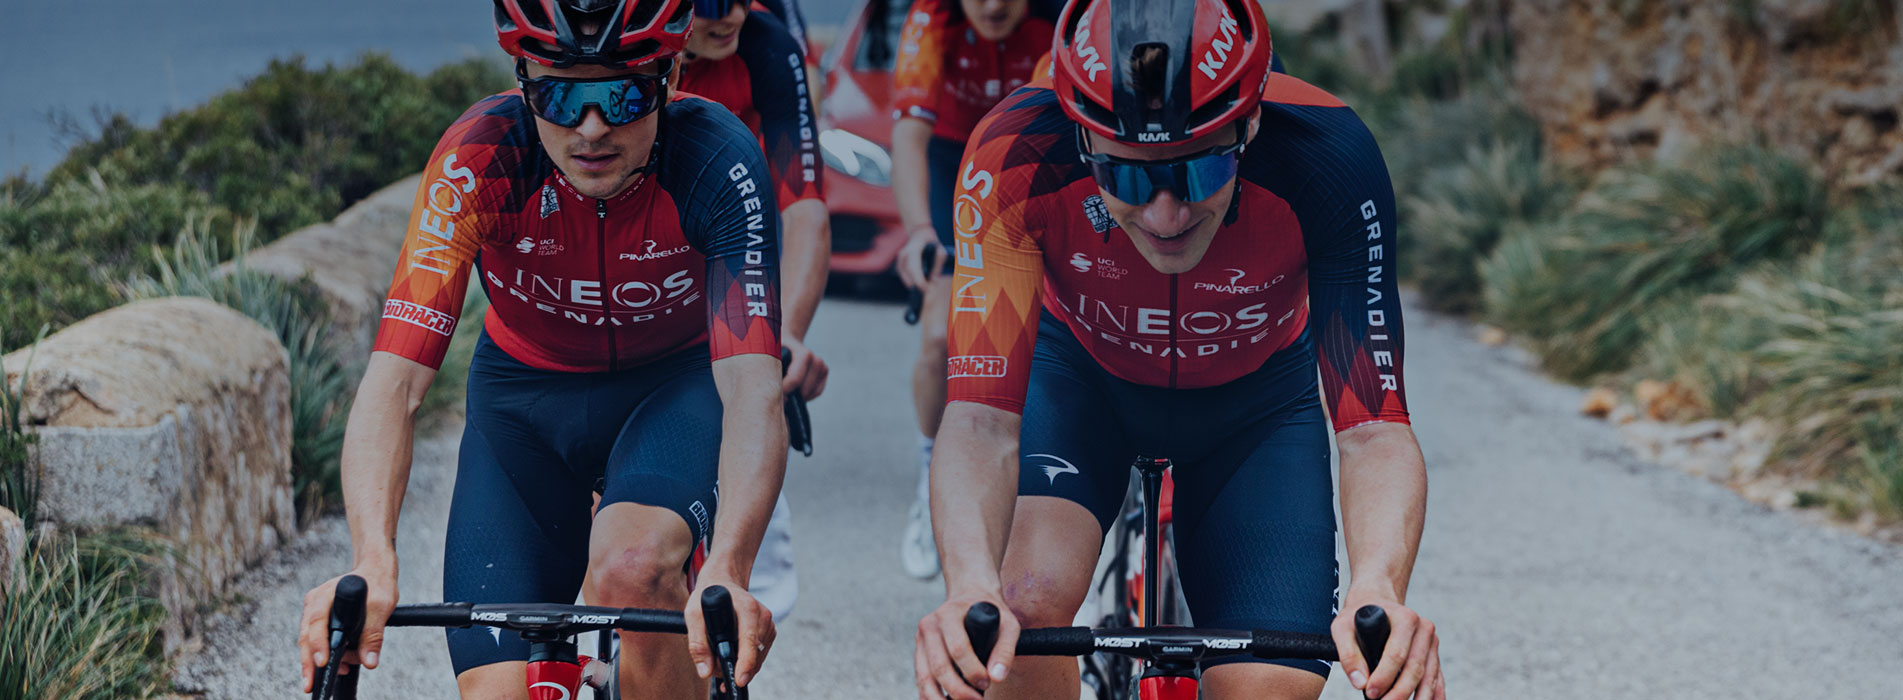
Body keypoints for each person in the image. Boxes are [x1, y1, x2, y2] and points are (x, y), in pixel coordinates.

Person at [911, 0, 1445, 698]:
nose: (1166, 215)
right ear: (1079, 138)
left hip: (1253, 413)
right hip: (1080, 388)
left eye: (1198, 173)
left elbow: (1373, 426)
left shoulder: (1330, 157)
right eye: (1128, 177)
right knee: (1014, 620)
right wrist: (967, 586)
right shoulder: (1015, 150)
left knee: (1266, 686)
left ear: (1248, 122)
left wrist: (1378, 584)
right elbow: (981, 417)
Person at [296, 0, 792, 697]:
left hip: (671, 390)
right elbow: (396, 382)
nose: (591, 129)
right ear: (520, 79)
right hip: (523, 403)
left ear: (672, 75)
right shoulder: (479, 156)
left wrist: (729, 571)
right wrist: (370, 559)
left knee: (633, 565)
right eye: (558, 95)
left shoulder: (717, 157)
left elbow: (751, 388)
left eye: (623, 95)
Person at [675, 0, 832, 623]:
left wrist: (786, 334)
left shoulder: (766, 44)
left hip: (733, 279)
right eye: (709, 3)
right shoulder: (611, 53)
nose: (730, 14)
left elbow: (806, 208)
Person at [888, 0, 1053, 580]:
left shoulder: (1060, 17)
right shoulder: (932, 19)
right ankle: (932, 469)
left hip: (1040, 155)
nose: (993, 6)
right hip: (954, 164)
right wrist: (918, 234)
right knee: (940, 337)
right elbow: (908, 137)